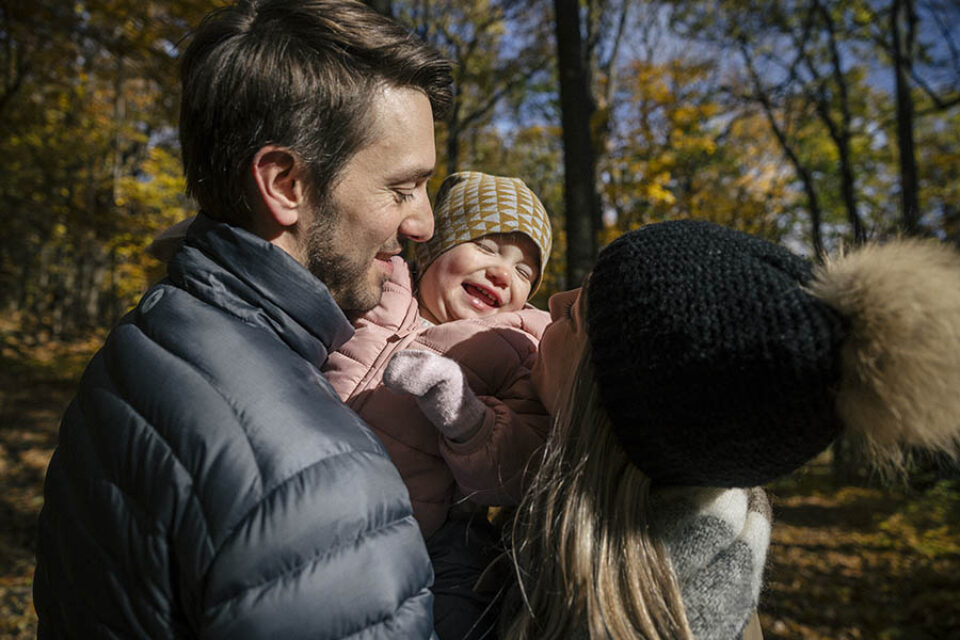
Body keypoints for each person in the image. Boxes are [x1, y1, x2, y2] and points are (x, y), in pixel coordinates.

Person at [33, 1, 453, 638]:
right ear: (285, 183)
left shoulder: (145, 342)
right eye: (401, 189)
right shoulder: (320, 481)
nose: (424, 222)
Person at [500, 219, 960, 639]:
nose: (553, 300)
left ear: (606, 410)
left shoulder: (572, 602)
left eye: (574, 318)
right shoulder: (712, 571)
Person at [322, 169, 553, 639]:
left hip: (414, 537)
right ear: (435, 246)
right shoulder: (377, 287)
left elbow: (521, 459)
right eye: (486, 247)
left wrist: (464, 417)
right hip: (305, 483)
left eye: (525, 271)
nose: (502, 272)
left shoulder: (512, 346)